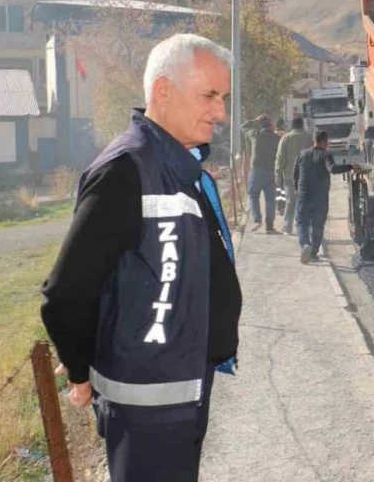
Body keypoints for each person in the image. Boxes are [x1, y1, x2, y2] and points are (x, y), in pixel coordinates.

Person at [39, 34, 242, 482]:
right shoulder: (126, 170)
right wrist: (78, 369)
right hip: (148, 405)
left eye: (223, 98)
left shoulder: (177, 166)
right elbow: (66, 292)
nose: (221, 112)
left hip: (180, 389)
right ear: (163, 92)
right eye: (209, 96)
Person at [293, 129, 356, 264]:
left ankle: (305, 245)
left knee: (301, 222)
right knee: (318, 225)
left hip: (303, 194)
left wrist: (296, 189)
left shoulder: (302, 154)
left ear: (313, 141)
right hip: (320, 198)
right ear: (325, 142)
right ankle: (314, 253)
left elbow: (295, 174)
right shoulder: (326, 155)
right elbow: (332, 169)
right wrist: (350, 166)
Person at [242, 114, 281, 233]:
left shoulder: (255, 134)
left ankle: (257, 220)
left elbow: (243, 127)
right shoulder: (276, 138)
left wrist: (255, 119)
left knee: (253, 195)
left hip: (256, 171)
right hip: (270, 171)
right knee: (270, 199)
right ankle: (269, 226)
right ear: (271, 125)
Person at [275, 116, 310, 235]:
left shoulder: (286, 138)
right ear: (302, 125)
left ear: (292, 126)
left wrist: (278, 172)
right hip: (306, 175)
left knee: (290, 201)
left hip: (289, 176)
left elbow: (280, 157)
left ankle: (287, 227)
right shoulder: (309, 137)